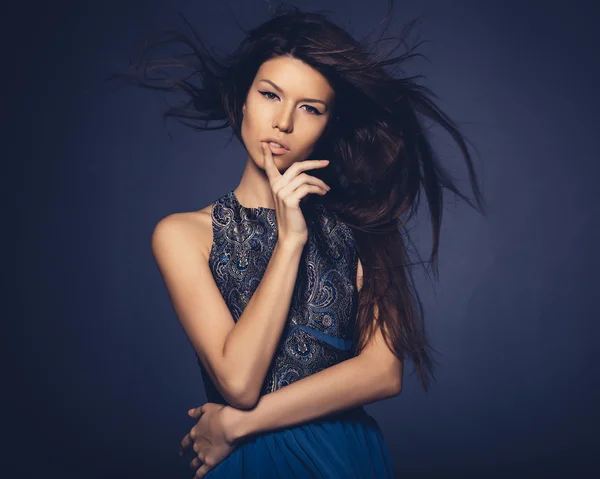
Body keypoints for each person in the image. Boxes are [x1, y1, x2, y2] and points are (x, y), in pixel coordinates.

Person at [116, 2, 485, 477]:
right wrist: (290, 241)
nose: (284, 122)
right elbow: (239, 383)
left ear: (328, 125)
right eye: (270, 95)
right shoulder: (184, 234)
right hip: (253, 462)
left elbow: (383, 373)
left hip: (343, 455)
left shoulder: (363, 227)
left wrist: (233, 427)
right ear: (243, 99)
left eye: (309, 107)